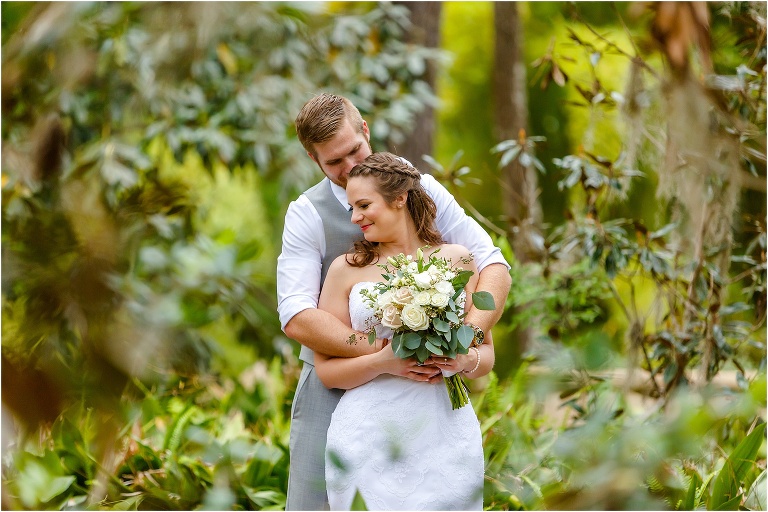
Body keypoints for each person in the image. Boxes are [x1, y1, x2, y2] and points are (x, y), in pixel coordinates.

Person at [277, 93, 511, 510]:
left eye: (354, 151)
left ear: (366, 129)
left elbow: (492, 263)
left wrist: (467, 340)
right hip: (333, 390)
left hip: (431, 401)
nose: (349, 168)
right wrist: (388, 352)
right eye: (334, 162)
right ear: (315, 161)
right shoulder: (306, 214)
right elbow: (296, 315)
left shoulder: (420, 188)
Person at [315, 152, 493, 510]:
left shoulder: (457, 259)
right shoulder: (344, 270)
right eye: (351, 207)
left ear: (400, 198)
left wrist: (462, 359)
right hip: (368, 433)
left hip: (445, 428)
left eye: (363, 205)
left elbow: (486, 354)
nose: (355, 217)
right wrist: (383, 361)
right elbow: (327, 372)